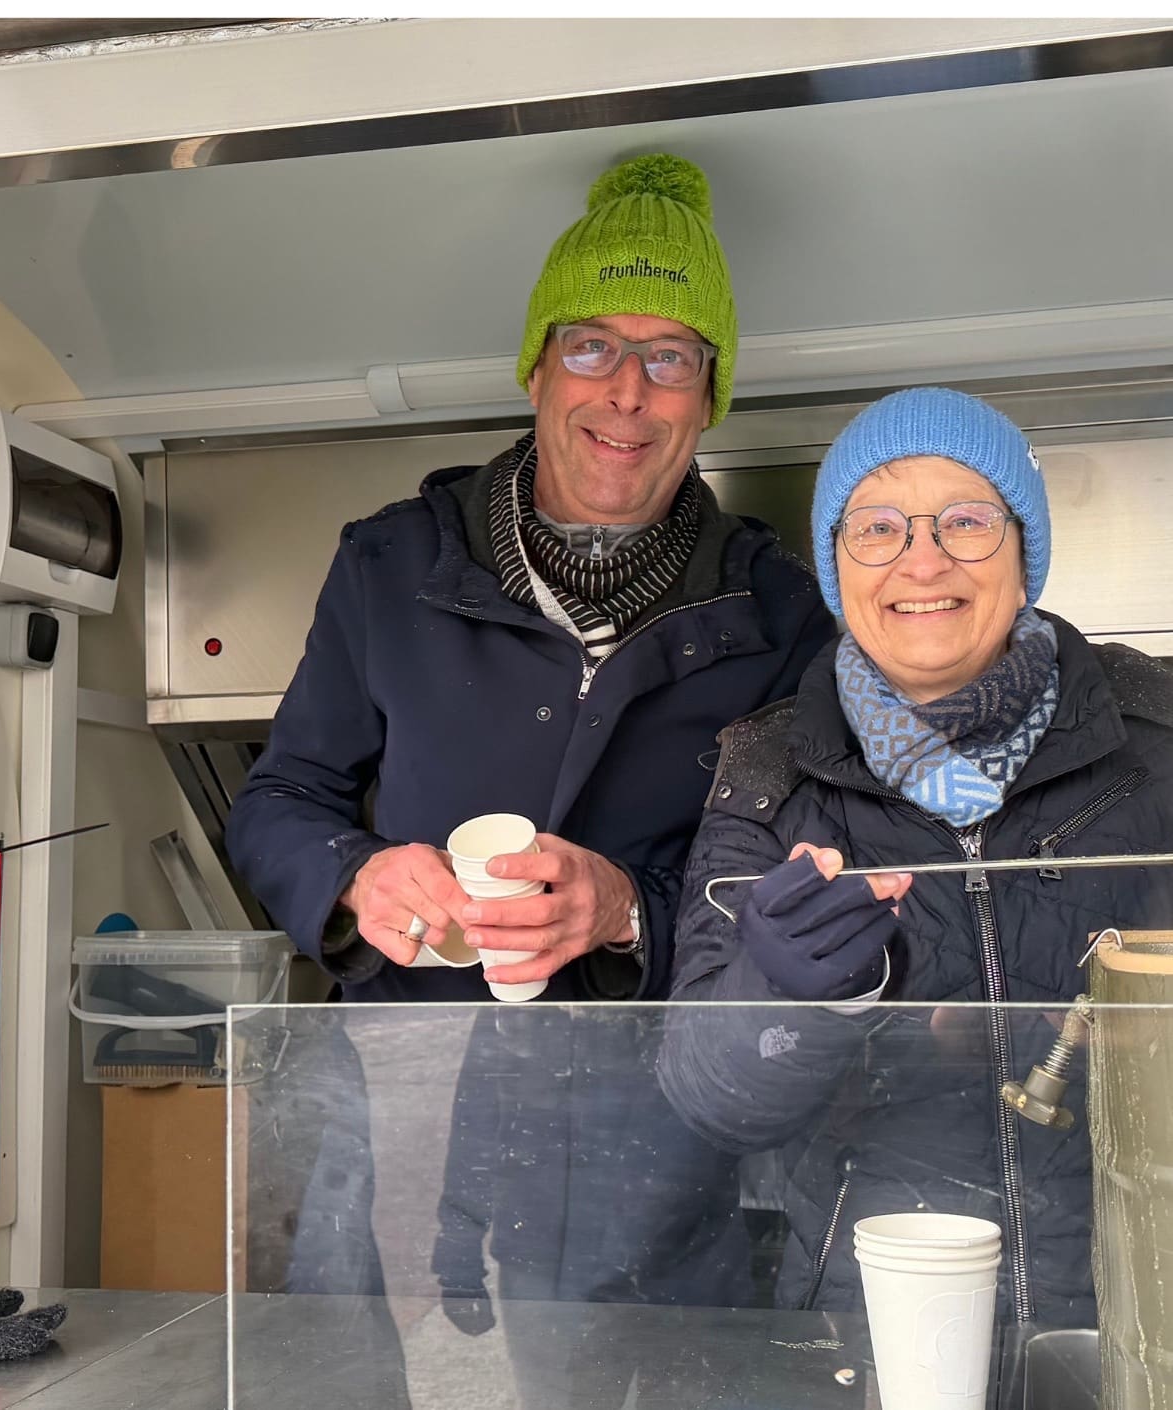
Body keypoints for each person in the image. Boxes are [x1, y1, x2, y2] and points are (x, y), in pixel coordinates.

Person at [225, 153, 836, 1399]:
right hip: (405, 1106)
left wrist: (625, 911)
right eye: (590, 346)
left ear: (709, 397)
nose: (627, 391)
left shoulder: (777, 614)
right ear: (536, 369)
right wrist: (354, 878)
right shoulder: (392, 567)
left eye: (671, 357)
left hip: (651, 1136)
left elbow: (794, 881)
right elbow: (280, 800)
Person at [656, 387, 1173, 1348]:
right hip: (884, 1321)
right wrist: (784, 995)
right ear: (836, 567)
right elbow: (710, 1102)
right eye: (878, 528)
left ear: (1025, 556)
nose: (923, 560)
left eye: (966, 521)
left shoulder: (1172, 738)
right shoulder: (769, 775)